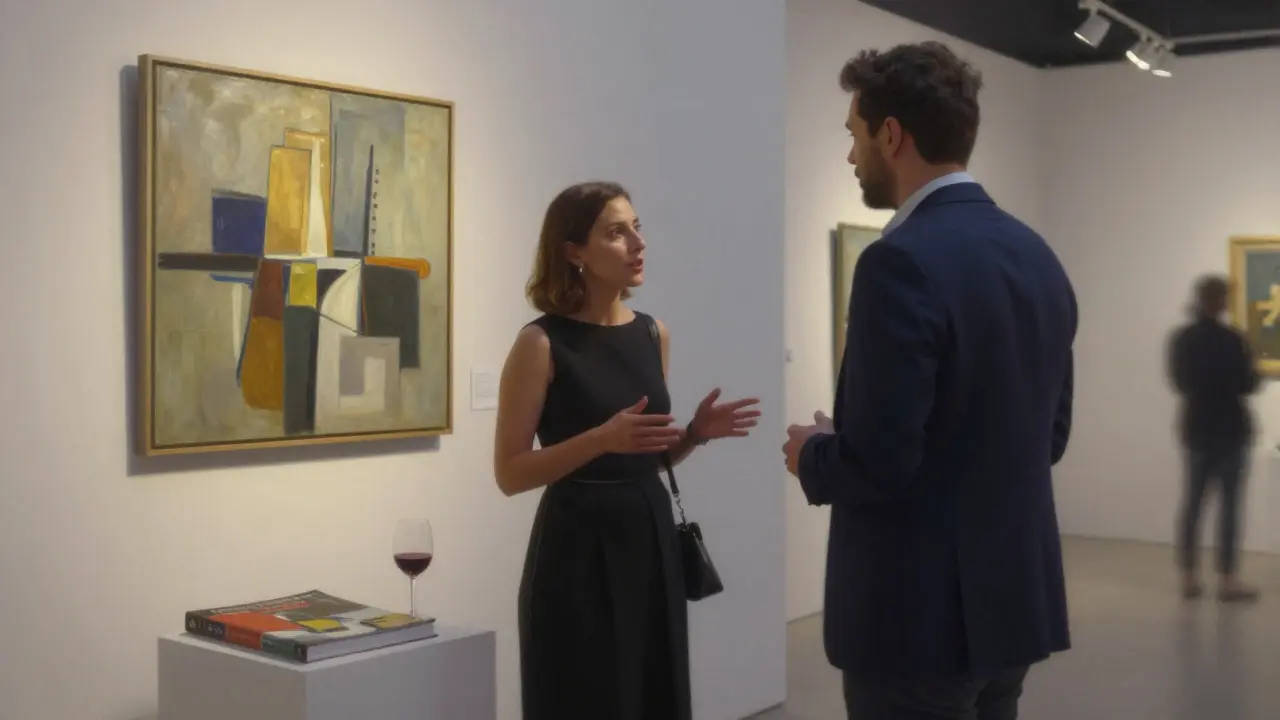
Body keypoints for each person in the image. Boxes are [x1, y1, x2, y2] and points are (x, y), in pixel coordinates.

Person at [781, 42, 1076, 719]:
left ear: (891, 134)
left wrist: (812, 455)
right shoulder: (1036, 256)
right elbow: (1047, 437)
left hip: (917, 619)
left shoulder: (898, 263)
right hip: (1010, 606)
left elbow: (881, 462)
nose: (851, 156)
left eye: (854, 135)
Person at [494, 180, 761, 720]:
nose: (638, 243)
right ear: (573, 252)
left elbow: (643, 456)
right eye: (616, 232)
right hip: (576, 545)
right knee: (586, 694)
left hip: (649, 533)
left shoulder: (652, 333)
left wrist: (694, 434)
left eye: (637, 228)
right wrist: (599, 439)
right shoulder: (540, 343)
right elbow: (510, 473)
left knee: (652, 690)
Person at [1167, 275, 1260, 602]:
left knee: (1193, 503)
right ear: (1221, 301)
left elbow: (1178, 381)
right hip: (1232, 429)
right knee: (1229, 507)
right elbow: (1250, 384)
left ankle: (1190, 577)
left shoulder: (1182, 339)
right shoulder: (1234, 340)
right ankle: (1227, 580)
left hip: (1197, 427)